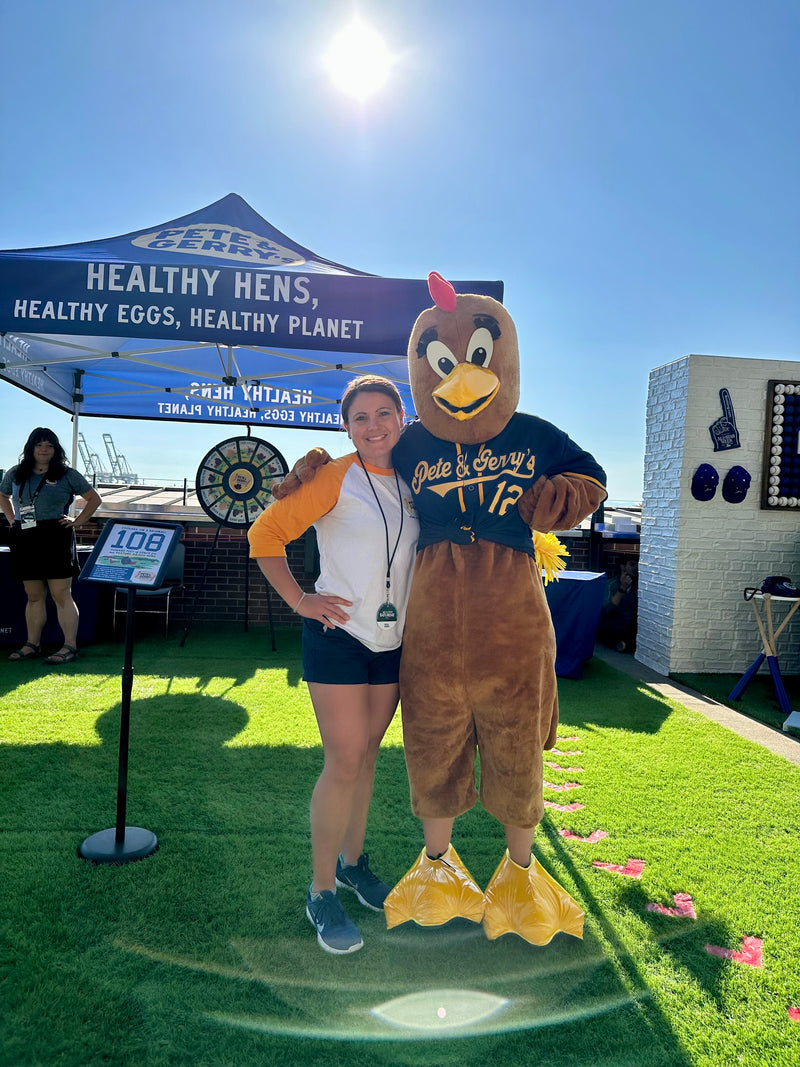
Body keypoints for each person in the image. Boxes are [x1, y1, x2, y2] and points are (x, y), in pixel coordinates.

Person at [247, 375, 419, 955]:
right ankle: (321, 890)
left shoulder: (421, 480)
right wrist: (301, 599)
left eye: (383, 414)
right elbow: (264, 534)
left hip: (394, 641)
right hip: (337, 635)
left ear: (402, 415)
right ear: (346, 426)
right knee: (344, 758)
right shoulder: (333, 477)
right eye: (360, 418)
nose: (373, 427)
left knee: (368, 756)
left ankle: (353, 863)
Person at [0, 428, 101, 664]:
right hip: (25, 536)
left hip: (56, 536)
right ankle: (32, 644)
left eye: (49, 445)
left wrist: (77, 521)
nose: (44, 449)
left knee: (61, 594)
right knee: (33, 595)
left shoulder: (67, 474)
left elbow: (94, 499)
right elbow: (2, 495)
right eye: (39, 445)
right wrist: (11, 517)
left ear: (55, 450)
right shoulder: (16, 473)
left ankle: (69, 646)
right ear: (30, 448)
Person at [597, 558, 638, 652]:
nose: (635, 568)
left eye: (637, 565)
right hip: (613, 623)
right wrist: (623, 588)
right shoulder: (611, 584)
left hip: (629, 624)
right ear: (623, 567)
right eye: (632, 565)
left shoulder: (636, 586)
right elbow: (607, 609)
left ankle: (625, 644)